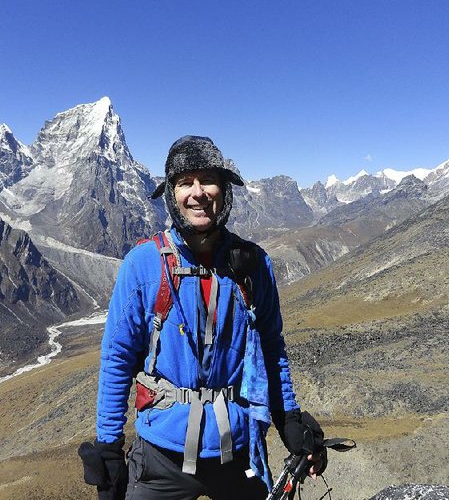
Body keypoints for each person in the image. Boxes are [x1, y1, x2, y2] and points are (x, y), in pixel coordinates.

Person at [79, 135, 326, 500]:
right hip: (161, 456)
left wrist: (287, 416)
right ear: (171, 194)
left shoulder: (254, 265)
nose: (198, 193)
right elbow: (118, 358)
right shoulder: (143, 265)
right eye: (184, 183)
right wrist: (109, 447)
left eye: (207, 180)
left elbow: (271, 349)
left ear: (224, 190)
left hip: (238, 449)